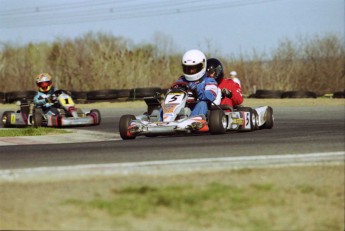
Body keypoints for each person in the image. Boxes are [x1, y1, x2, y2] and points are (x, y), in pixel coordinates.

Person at [172, 49, 218, 117]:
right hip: (180, 106)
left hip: (197, 106)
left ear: (202, 66)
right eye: (188, 68)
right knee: (165, 105)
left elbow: (211, 95)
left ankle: (193, 121)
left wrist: (197, 90)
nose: (191, 71)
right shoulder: (181, 80)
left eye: (194, 68)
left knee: (202, 104)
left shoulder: (209, 80)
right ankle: (159, 121)